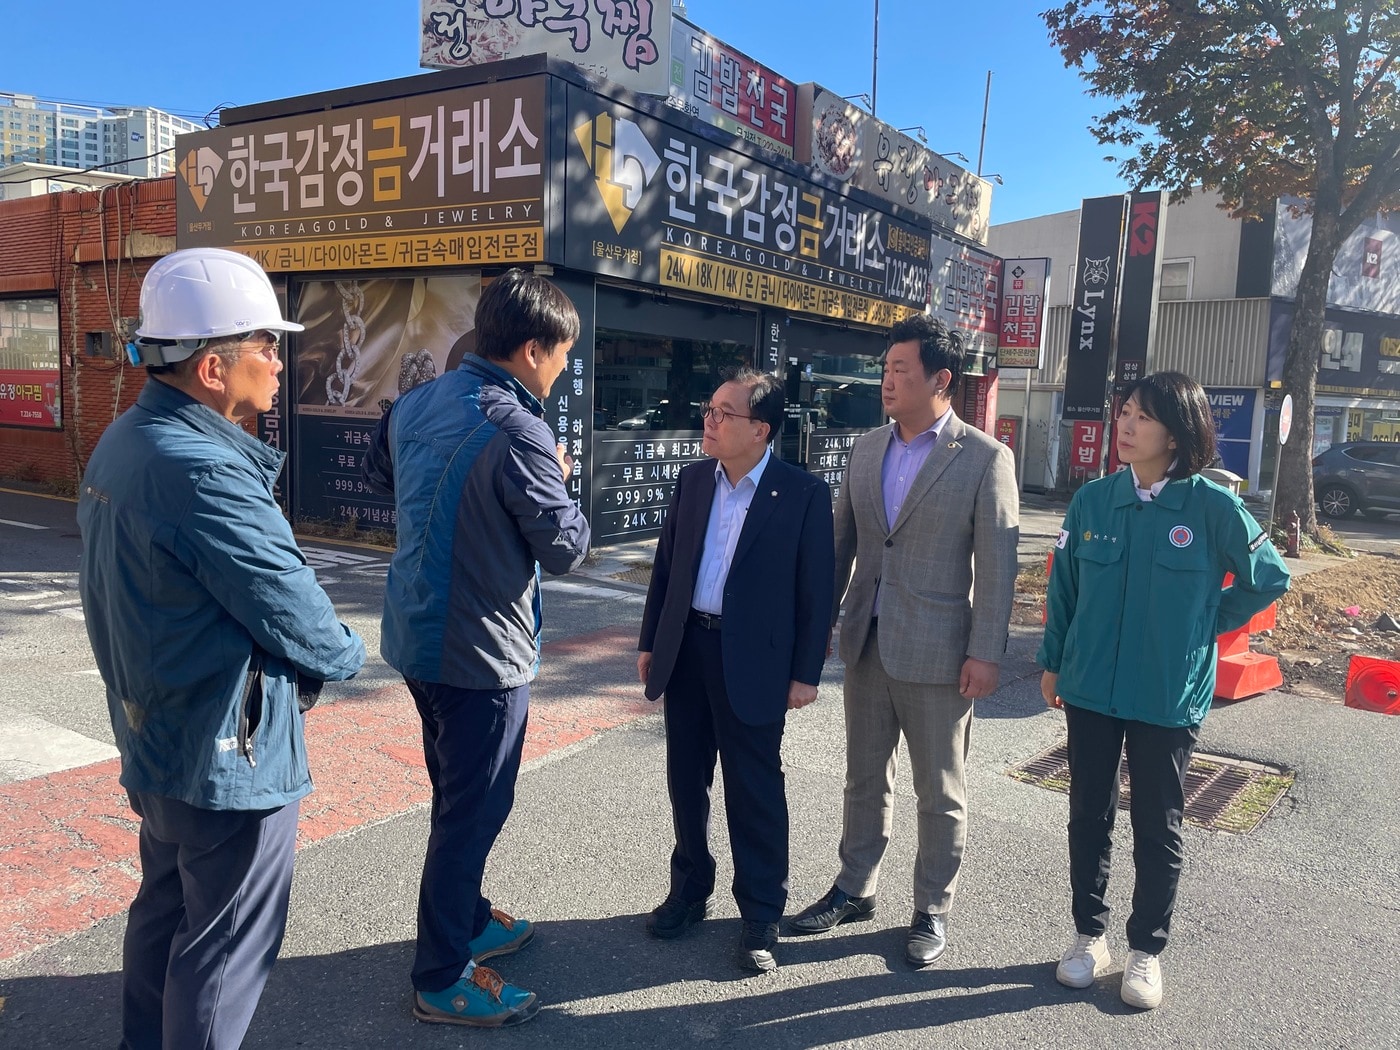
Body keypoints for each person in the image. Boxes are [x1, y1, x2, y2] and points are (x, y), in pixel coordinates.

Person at [77, 247, 367, 1050]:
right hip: (226, 757)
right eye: (266, 346)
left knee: (163, 917)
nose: (279, 362)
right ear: (213, 366)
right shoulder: (206, 470)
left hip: (159, 735)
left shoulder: (126, 441)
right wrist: (347, 654)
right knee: (225, 950)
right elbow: (300, 614)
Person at [362, 268, 589, 1027]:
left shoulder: (419, 399)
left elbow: (380, 467)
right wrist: (557, 479)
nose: (564, 369)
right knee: (472, 811)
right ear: (532, 349)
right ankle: (441, 973)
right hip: (481, 649)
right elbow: (563, 548)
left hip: (416, 633)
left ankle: (469, 918)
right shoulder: (519, 428)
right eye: (562, 353)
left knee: (456, 793)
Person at [1038, 371, 1289, 1010]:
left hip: (1167, 692)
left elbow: (1269, 577)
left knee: (1159, 821)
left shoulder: (1211, 506)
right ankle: (1088, 937)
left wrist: (1208, 619)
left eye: (1143, 417)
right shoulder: (1093, 502)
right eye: (1124, 412)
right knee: (1088, 814)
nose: (1126, 425)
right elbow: (1064, 590)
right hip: (1091, 685)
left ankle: (1146, 949)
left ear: (1177, 432)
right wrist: (1053, 661)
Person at [787, 314, 1019, 967]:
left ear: (940, 379)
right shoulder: (866, 449)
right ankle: (854, 888)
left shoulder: (983, 457)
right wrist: (817, 631)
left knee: (940, 789)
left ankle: (931, 909)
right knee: (863, 777)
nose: (886, 381)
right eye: (884, 369)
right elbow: (840, 550)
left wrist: (986, 650)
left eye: (900, 371)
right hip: (867, 639)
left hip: (943, 651)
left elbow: (998, 565)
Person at [637, 367, 835, 974]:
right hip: (690, 648)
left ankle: (760, 914)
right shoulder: (695, 481)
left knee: (754, 789)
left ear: (761, 429)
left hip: (754, 661)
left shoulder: (801, 493)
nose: (710, 421)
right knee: (685, 781)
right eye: (710, 409)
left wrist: (806, 674)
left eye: (724, 413)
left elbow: (816, 592)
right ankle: (689, 889)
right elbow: (666, 569)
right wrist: (651, 641)